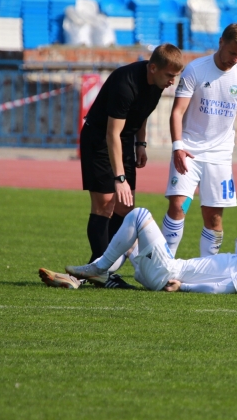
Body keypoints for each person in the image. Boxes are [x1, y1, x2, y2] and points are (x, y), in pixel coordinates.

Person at [79, 43, 184, 288]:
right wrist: (120, 178)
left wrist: (141, 144)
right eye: (169, 75)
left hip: (124, 140)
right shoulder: (124, 84)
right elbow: (111, 134)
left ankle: (103, 267)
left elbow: (142, 112)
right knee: (105, 204)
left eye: (175, 77)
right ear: (153, 67)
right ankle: (101, 270)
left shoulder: (157, 83)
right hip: (99, 139)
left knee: (125, 208)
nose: (172, 81)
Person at [40, 207, 237, 296]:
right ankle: (84, 278)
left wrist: (183, 287)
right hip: (166, 269)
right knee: (130, 240)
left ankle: (97, 269)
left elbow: (223, 288)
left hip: (168, 273)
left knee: (138, 215)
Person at [163, 23, 237, 259]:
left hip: (220, 156)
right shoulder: (196, 69)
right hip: (189, 151)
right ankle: (165, 264)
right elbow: (177, 112)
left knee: (213, 217)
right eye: (232, 53)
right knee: (178, 206)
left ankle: (209, 266)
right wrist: (178, 146)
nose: (235, 59)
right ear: (221, 42)